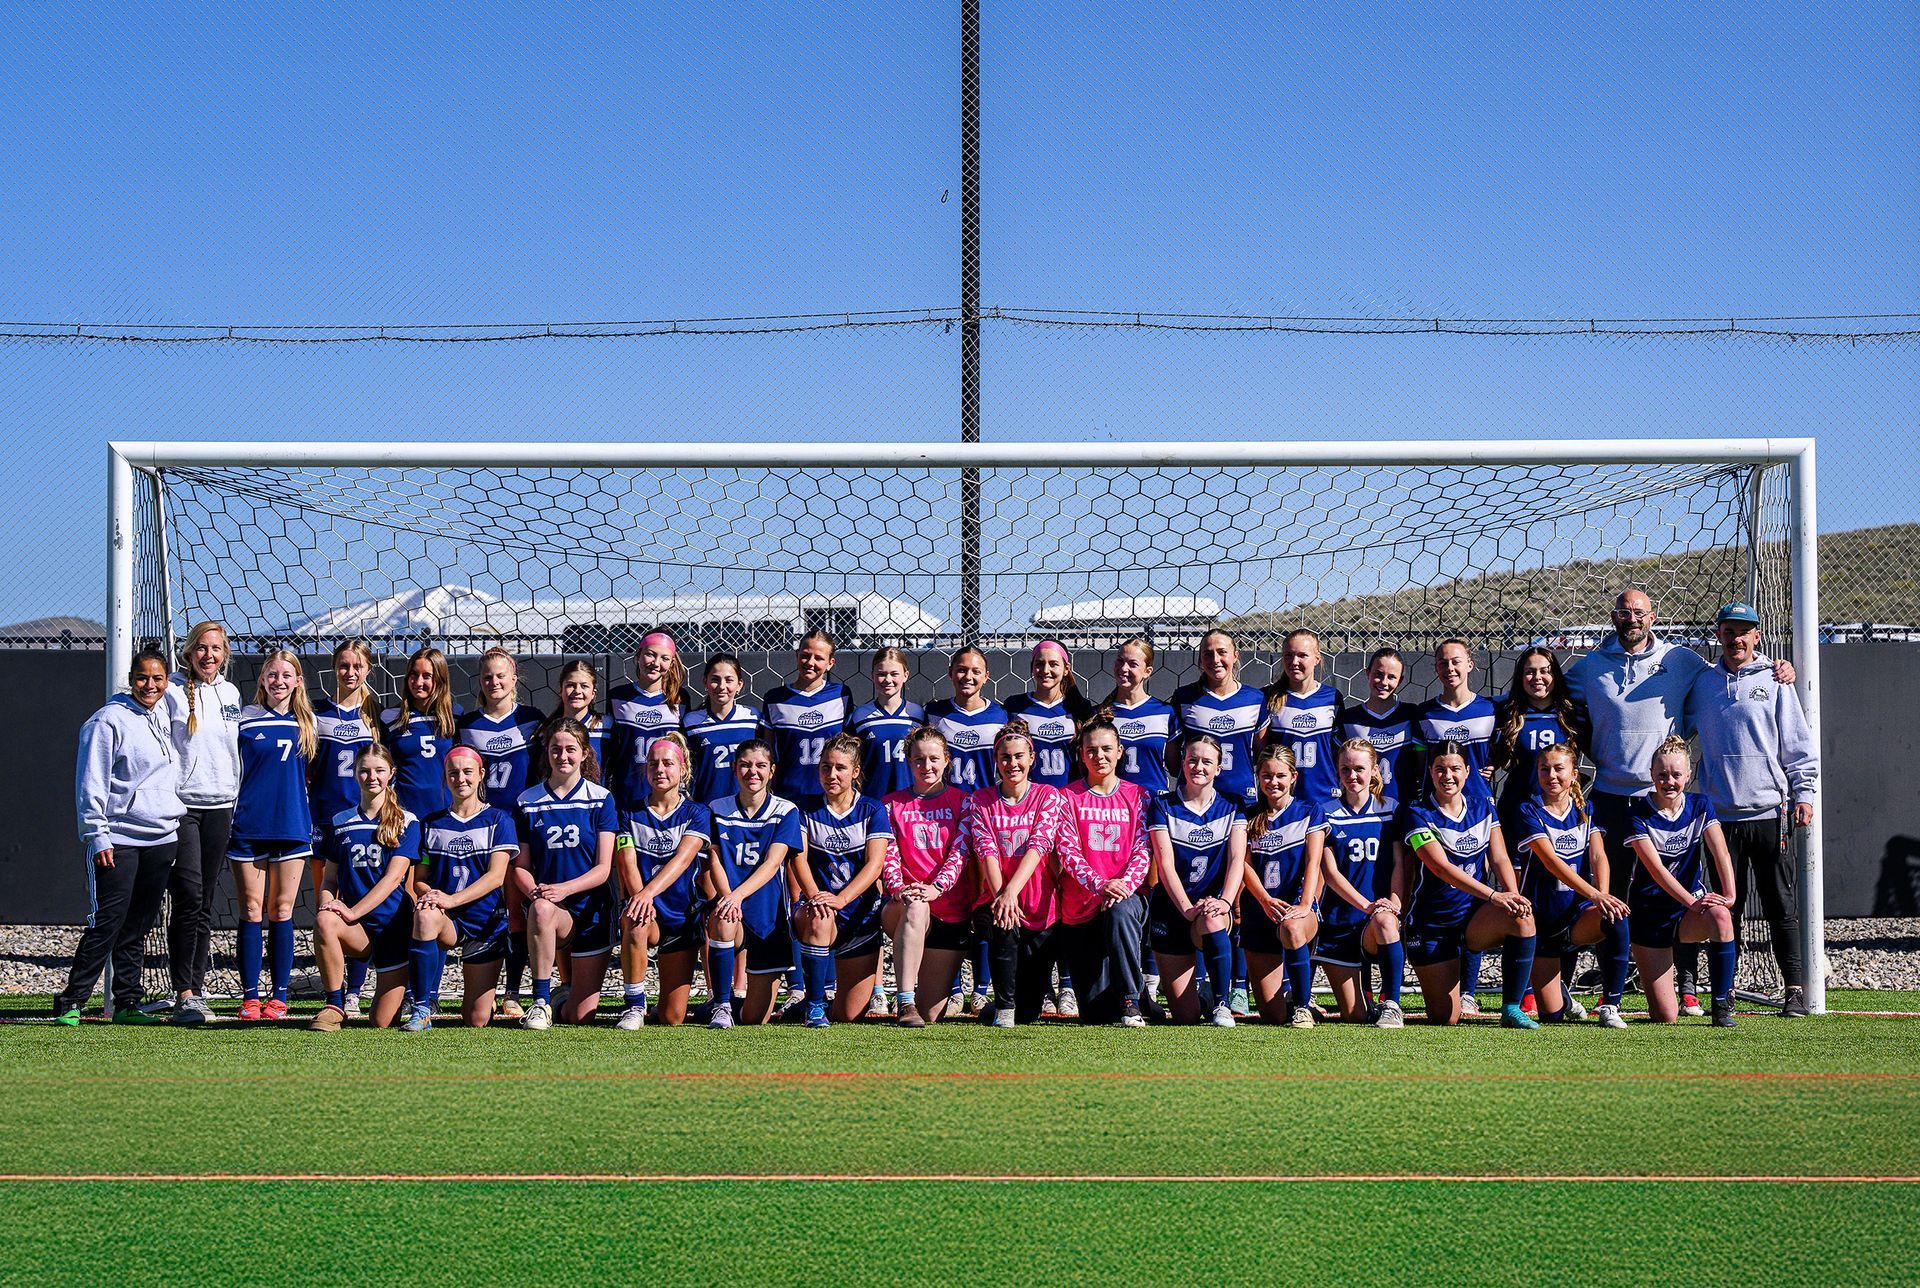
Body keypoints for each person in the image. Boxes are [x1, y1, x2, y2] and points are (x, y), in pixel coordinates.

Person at [1566, 587, 1792, 1014]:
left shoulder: (1682, 661)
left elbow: (1729, 674)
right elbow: (1549, 695)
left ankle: (1686, 986)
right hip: (1612, 798)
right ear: (1613, 617)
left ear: (1653, 617)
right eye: (1623, 612)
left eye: (1639, 612)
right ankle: (1601, 985)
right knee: (1607, 893)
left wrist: (1776, 669)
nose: (1631, 619)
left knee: (1676, 891)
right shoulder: (1588, 668)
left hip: (1663, 800)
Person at [1686, 601, 1819, 1016]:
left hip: (1768, 812)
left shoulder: (1777, 680)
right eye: (1728, 630)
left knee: (1781, 904)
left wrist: (1804, 794)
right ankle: (1723, 993)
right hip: (1718, 819)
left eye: (1744, 631)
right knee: (1727, 906)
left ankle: (1794, 990)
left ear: (1757, 635)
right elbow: (1676, 727)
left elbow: (1798, 744)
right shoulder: (1703, 683)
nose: (1736, 638)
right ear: (1719, 635)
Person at [54, 649, 185, 1025]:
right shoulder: (107, 721)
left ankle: (127, 1002)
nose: (151, 685)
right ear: (131, 678)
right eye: (143, 677)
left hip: (161, 838)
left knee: (139, 925)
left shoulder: (163, 714)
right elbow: (90, 782)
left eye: (158, 678)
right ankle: (72, 1001)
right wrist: (98, 835)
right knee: (108, 922)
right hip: (119, 839)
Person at [1399, 741, 1539, 1028]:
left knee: (1522, 916)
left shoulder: (1483, 808)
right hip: (1432, 924)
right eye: (1440, 769)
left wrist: (1510, 893)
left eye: (1454, 769)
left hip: (1474, 918)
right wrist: (1493, 895)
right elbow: (1441, 868)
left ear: (1467, 771)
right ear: (1430, 771)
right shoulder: (1417, 813)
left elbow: (1499, 857)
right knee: (1445, 1018)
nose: (1447, 776)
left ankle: (1512, 1007)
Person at [1489, 645, 1589, 1015]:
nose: (1537, 678)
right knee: (1521, 900)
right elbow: (1486, 756)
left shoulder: (1571, 716)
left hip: (1562, 821)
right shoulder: (1507, 712)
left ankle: (1560, 984)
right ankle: (1524, 986)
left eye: (1545, 670)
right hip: (1518, 820)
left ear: (1555, 674)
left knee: (1563, 903)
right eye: (1529, 671)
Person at [1512, 744, 1633, 1029]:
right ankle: (1563, 999)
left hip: (1577, 916)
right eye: (1545, 769)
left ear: (1574, 775)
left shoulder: (1585, 809)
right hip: (1542, 921)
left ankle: (1611, 1005)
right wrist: (1594, 893)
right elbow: (1552, 862)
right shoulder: (1529, 810)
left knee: (1616, 916)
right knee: (1551, 1018)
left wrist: (1601, 897)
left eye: (1559, 769)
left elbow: (1598, 855)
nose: (1551, 775)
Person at [1626, 737, 1740, 1027]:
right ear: (1651, 775)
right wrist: (1692, 901)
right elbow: (1657, 872)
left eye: (1676, 775)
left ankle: (1721, 1004)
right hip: (1651, 915)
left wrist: (1729, 895)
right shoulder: (1638, 812)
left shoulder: (1701, 805)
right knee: (1665, 1017)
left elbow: (1720, 851)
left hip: (1688, 911)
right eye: (1662, 774)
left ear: (1688, 776)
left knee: (1721, 916)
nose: (1669, 781)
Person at [512, 719, 619, 1030]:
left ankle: (562, 1000)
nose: (563, 756)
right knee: (542, 909)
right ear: (546, 753)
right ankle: (541, 1002)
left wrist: (565, 889)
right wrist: (537, 893)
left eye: (571, 749)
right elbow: (520, 866)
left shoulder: (601, 798)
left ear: (584, 753)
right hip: (552, 908)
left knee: (579, 1016)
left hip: (591, 914)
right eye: (555, 749)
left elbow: (603, 868)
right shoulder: (528, 801)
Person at [230, 650, 319, 1021]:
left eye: (287, 675)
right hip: (249, 826)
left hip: (292, 826)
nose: (279, 681)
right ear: (262, 679)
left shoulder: (309, 723)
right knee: (252, 910)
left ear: (298, 681)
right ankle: (250, 996)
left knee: (282, 910)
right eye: (272, 674)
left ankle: (279, 997)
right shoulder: (242, 720)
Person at [1412, 639, 1499, 1015]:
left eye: (1457, 661)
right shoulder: (1425, 714)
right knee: (1440, 891)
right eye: (1443, 662)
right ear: (1435, 668)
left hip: (1479, 813)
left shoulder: (1492, 710)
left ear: (1471, 665)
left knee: (1476, 897)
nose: (1450, 668)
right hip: (1437, 815)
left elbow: (1501, 753)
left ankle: (1470, 989)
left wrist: (1487, 771)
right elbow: (1415, 763)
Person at [308, 744, 420, 1031]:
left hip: (392, 928)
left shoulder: (407, 822)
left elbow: (394, 878)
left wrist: (351, 911)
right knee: (324, 919)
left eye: (379, 770)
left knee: (381, 1023)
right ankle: (334, 1004)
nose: (372, 777)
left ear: (391, 773)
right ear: (355, 774)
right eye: (364, 771)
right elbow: (330, 880)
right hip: (357, 930)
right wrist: (328, 903)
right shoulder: (340, 821)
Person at [161, 621, 241, 1024]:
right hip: (183, 808)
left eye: (216, 648)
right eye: (202, 648)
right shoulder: (171, 690)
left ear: (224, 653)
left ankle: (195, 986)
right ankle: (185, 991)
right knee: (188, 896)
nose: (209, 655)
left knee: (205, 900)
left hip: (221, 805)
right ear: (189, 651)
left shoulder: (231, 693)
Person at [404, 745, 515, 1032]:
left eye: (467, 772)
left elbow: (496, 877)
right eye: (453, 773)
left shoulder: (498, 820)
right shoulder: (431, 823)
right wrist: (430, 894)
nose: (460, 778)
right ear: (445, 777)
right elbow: (420, 878)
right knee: (425, 915)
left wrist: (452, 899)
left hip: (485, 921)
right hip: (447, 917)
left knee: (476, 1020)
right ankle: (421, 1007)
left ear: (481, 774)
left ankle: (485, 999)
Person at [924, 645, 1009, 1014]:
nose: (968, 677)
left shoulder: (1001, 716)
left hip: (989, 818)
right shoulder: (935, 714)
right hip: (949, 817)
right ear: (949, 674)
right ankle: (954, 985)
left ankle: (983, 986)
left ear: (986, 676)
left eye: (975, 670)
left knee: (987, 899)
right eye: (961, 670)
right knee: (954, 898)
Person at [967, 722, 1068, 1028]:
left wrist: (1011, 892)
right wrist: (1003, 897)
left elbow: (1040, 844)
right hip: (998, 900)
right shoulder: (980, 800)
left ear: (1032, 758)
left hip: (1039, 904)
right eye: (1005, 758)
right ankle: (1003, 1007)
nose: (1013, 764)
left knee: (1031, 1011)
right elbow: (987, 851)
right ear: (996, 761)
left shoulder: (1048, 796)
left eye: (1019, 756)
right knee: (1002, 921)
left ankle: (1006, 1008)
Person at [1053, 717, 1152, 1026]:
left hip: (1125, 899)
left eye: (1107, 749)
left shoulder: (1139, 796)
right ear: (1081, 754)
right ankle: (1139, 997)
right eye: (1092, 750)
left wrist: (1121, 886)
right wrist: (1100, 884)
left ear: (1120, 751)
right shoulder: (1066, 798)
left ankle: (1131, 1000)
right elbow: (1067, 851)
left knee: (1121, 911)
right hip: (1082, 906)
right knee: (1095, 1014)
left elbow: (1144, 849)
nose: (1100, 756)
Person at [703, 738, 804, 1028]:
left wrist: (738, 896)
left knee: (753, 1019)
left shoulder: (786, 810)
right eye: (745, 765)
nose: (752, 772)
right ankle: (721, 1004)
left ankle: (731, 1005)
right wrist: (728, 898)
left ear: (772, 771)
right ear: (734, 768)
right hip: (731, 906)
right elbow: (715, 861)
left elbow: (773, 864)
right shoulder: (716, 808)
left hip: (767, 915)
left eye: (761, 766)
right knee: (722, 918)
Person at [1149, 734, 1249, 1027]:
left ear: (1219, 767)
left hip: (1210, 908)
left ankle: (1221, 1003)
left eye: (1207, 761)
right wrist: (1186, 909)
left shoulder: (1233, 806)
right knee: (1186, 1016)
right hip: (1173, 909)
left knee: (1213, 920)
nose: (1199, 766)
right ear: (1182, 763)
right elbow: (1165, 864)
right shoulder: (1163, 805)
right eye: (1192, 760)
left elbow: (1236, 860)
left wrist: (1225, 902)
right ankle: (1203, 998)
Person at [793, 734, 892, 1027]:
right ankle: (813, 1004)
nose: (832, 774)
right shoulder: (804, 808)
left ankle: (820, 1006)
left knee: (849, 1015)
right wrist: (815, 896)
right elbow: (798, 858)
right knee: (819, 918)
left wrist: (842, 899)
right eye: (825, 767)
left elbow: (875, 865)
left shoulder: (872, 809)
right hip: (819, 907)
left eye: (840, 768)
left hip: (858, 913)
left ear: (855, 772)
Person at [614, 733, 710, 1029]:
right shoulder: (628, 812)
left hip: (682, 916)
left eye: (668, 763)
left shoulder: (697, 813)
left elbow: (682, 860)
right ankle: (634, 1004)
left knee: (672, 1018)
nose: (660, 770)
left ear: (682, 770)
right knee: (634, 916)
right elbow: (626, 860)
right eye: (653, 764)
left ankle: (661, 1006)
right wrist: (641, 897)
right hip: (647, 912)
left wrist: (647, 893)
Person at [312, 639, 385, 1014]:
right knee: (329, 904)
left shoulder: (380, 717)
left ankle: (355, 989)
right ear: (334, 668)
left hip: (368, 824)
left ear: (368, 669)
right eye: (343, 665)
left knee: (362, 903)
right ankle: (335, 989)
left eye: (357, 666)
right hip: (325, 824)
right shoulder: (315, 714)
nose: (350, 672)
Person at [881, 726, 972, 1027]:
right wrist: (900, 889)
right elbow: (888, 854)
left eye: (934, 759)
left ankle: (918, 1004)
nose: (926, 766)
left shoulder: (963, 802)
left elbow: (960, 852)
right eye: (919, 759)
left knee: (931, 1014)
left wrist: (937, 888)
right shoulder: (891, 804)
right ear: (909, 761)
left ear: (947, 760)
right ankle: (904, 1001)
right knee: (917, 907)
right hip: (904, 905)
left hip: (948, 910)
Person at [1313, 739, 1406, 1029]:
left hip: (1375, 918)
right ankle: (1369, 1002)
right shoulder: (1325, 811)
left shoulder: (1392, 808)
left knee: (1386, 921)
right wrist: (1365, 905)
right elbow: (1329, 872)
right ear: (1337, 772)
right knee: (1356, 1016)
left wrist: (1394, 902)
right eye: (1346, 769)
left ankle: (1392, 1004)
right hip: (1340, 920)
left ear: (1375, 770)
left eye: (1359, 769)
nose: (1353, 776)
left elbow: (1400, 864)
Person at [1171, 630, 1268, 810]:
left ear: (1235, 656)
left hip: (1241, 798)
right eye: (1207, 654)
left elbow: (1261, 752)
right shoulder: (1184, 697)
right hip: (1193, 799)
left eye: (1222, 652)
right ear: (1200, 660)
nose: (1215, 660)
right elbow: (1173, 755)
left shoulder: (1255, 699)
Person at [761, 630, 850, 814]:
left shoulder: (841, 695)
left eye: (818, 658)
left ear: (830, 663)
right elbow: (767, 752)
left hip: (830, 796)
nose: (810, 663)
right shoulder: (775, 698)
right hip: (787, 795)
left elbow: (849, 748)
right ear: (796, 655)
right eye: (805, 655)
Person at [457, 648, 546, 813]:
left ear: (513, 680)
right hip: (483, 814)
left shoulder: (532, 718)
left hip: (525, 813)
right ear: (480, 682)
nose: (494, 682)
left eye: (500, 676)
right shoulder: (467, 725)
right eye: (488, 677)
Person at [1262, 629, 1345, 803]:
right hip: (1280, 796)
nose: (1294, 662)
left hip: (1324, 795)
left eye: (1302, 655)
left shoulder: (1332, 698)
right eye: (1288, 655)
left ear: (1317, 658)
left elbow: (1338, 751)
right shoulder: (1268, 697)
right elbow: (1260, 750)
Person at [607, 632, 686, 813]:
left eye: (664, 658)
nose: (656, 663)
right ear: (638, 655)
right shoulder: (618, 696)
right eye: (650, 654)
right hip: (627, 792)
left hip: (667, 794)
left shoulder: (681, 699)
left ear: (672, 663)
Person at [384, 645, 459, 821]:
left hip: (447, 813)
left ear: (440, 679)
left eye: (427, 676)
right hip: (404, 814)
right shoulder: (390, 717)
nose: (418, 682)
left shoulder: (455, 716)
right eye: (413, 674)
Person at [1005, 640, 1093, 789]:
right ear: (1032, 668)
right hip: (1028, 800)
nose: (1045, 670)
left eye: (1053, 664)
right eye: (1039, 664)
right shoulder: (1014, 706)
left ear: (1066, 669)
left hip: (1070, 798)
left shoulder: (1080, 708)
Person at [1100, 637, 1177, 798]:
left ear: (1147, 672)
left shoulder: (1165, 712)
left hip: (1155, 803)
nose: (1123, 668)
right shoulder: (1099, 714)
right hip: (1113, 805)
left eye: (1132, 664)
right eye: (1120, 661)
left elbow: (1175, 766)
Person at [1340, 647, 1419, 797]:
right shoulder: (1348, 719)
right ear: (1367, 673)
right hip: (1361, 806)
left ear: (1400, 680)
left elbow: (1421, 755)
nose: (1384, 682)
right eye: (1378, 674)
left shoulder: (1411, 715)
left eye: (1391, 677)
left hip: (1402, 805)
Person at [683, 653, 761, 807]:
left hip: (746, 807)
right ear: (705, 682)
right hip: (705, 806)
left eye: (729, 680)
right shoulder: (691, 722)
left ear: (739, 684)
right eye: (715, 680)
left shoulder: (753, 718)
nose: (722, 686)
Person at [848, 647, 925, 802]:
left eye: (894, 674)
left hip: (911, 804)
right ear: (872, 676)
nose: (888, 680)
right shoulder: (860, 716)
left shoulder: (918, 715)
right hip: (872, 801)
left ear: (905, 675)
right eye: (881, 674)